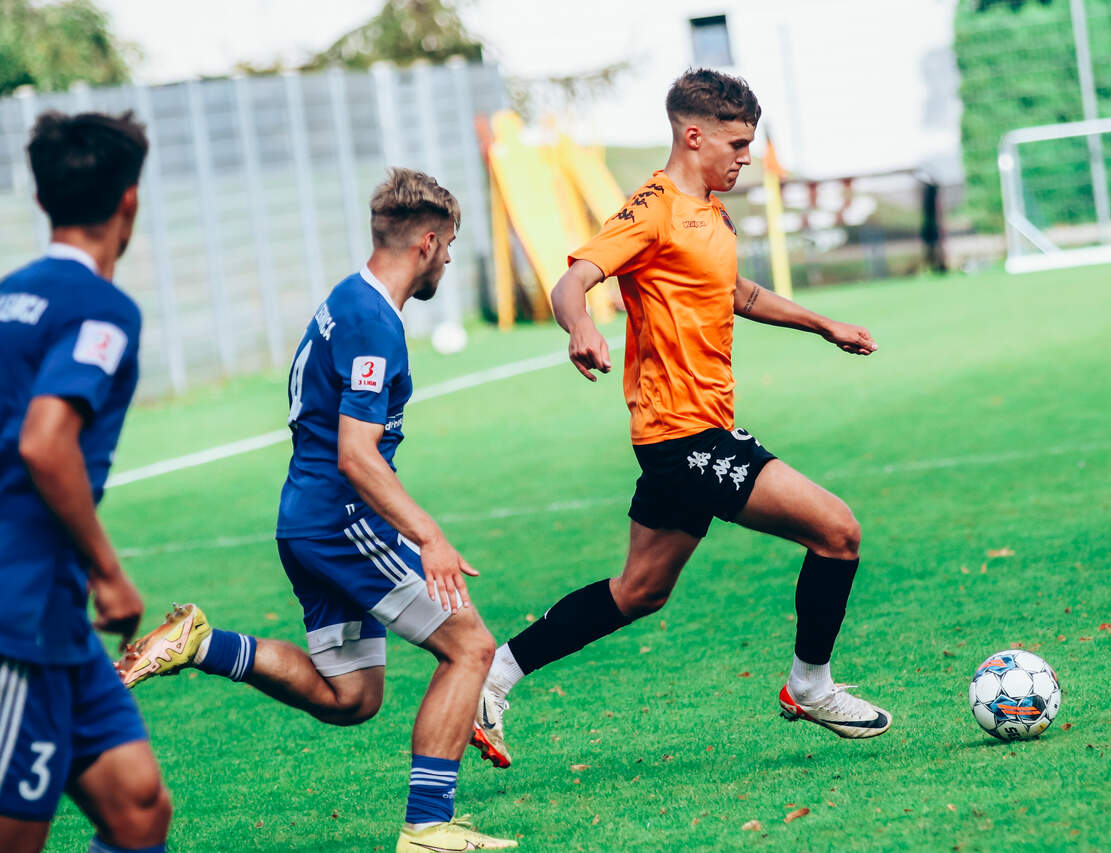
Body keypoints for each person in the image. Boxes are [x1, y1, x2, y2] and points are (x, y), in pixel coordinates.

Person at [470, 69, 890, 771]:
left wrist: (823, 324)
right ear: (693, 136)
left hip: (689, 434)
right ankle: (810, 686)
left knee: (638, 591)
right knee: (838, 532)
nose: (745, 156)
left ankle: (494, 676)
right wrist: (581, 326)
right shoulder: (653, 210)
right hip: (684, 435)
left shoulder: (709, 213)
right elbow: (573, 279)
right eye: (736, 143)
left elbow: (736, 292)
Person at [117, 169, 515, 851]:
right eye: (449, 245)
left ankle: (200, 643)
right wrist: (429, 535)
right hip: (343, 522)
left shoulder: (346, 298)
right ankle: (428, 826)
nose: (449, 259)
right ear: (426, 242)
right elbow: (356, 455)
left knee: (351, 696)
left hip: (306, 520)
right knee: (471, 647)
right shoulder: (372, 323)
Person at [0, 111, 171, 853]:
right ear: (129, 199)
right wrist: (110, 572)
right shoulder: (104, 309)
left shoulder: (10, 295)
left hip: (54, 615)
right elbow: (46, 442)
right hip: (20, 610)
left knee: (138, 807)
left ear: (42, 199)